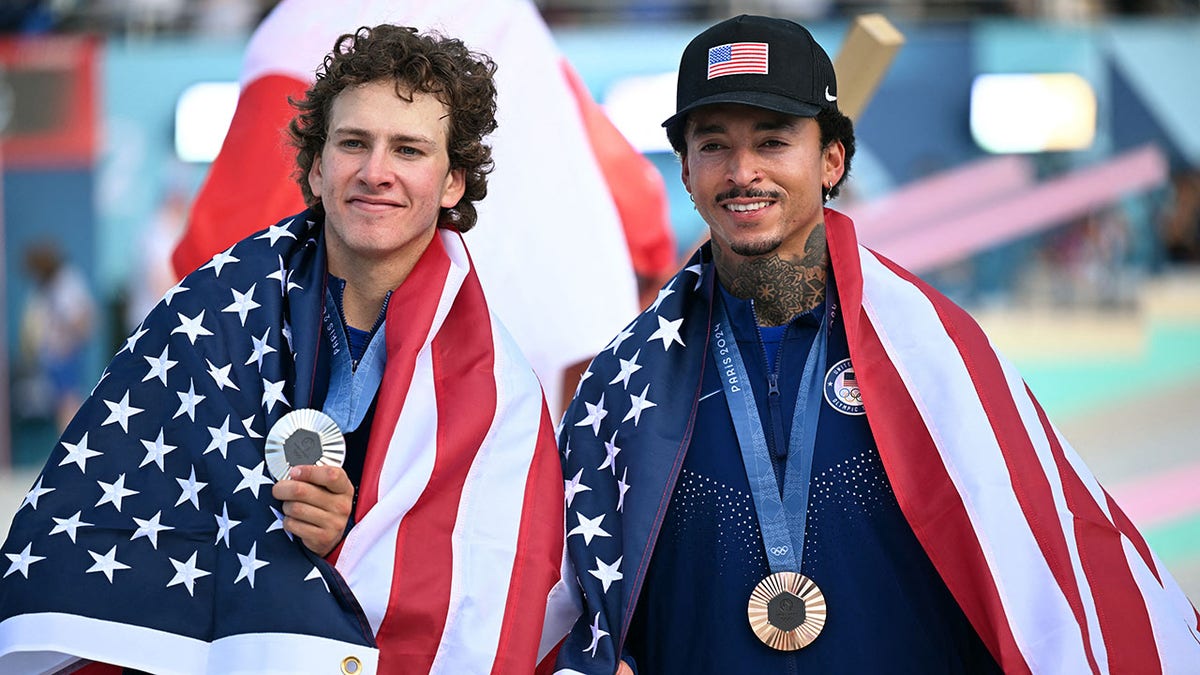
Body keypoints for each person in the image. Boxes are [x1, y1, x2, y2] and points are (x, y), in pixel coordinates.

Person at [549, 15, 1200, 674]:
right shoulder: (623, 382)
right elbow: (570, 603)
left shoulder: (934, 353)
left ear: (832, 159)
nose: (742, 172)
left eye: (773, 141)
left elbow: (1045, 568)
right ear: (685, 169)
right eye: (713, 145)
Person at [0, 25, 564, 674]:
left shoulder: (499, 394)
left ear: (452, 184)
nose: (375, 172)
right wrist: (264, 525)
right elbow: (123, 506)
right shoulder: (205, 314)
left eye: (408, 149)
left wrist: (345, 536)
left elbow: (479, 589)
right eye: (353, 143)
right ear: (318, 167)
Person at [16, 241, 96, 432]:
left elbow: (80, 317)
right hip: (52, 353)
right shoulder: (45, 286)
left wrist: (68, 339)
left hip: (65, 352)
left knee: (68, 401)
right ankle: (66, 440)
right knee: (61, 402)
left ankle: (71, 441)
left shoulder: (66, 282)